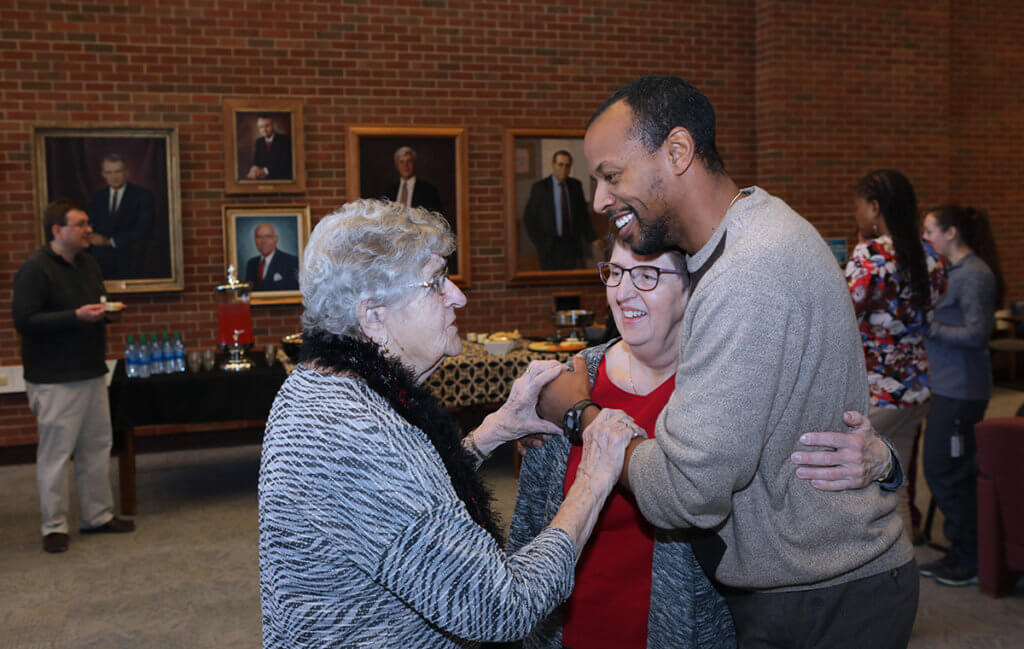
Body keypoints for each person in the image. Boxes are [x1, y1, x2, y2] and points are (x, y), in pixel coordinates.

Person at [538, 75, 917, 648]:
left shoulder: (747, 271)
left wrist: (583, 417)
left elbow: (683, 494)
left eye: (611, 176)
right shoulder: (753, 233)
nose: (598, 200)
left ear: (678, 152)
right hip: (820, 580)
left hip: (819, 598)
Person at [258, 198, 641, 648]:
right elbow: (503, 607)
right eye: (436, 282)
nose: (458, 295)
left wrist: (493, 430)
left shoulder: (318, 383)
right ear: (374, 317)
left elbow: (406, 514)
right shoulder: (363, 435)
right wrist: (594, 479)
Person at [513, 239, 906, 649]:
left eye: (646, 275)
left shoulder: (730, 385)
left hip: (689, 632)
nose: (622, 291)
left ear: (696, 288)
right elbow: (527, 530)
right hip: (568, 630)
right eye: (613, 272)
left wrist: (883, 460)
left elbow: (808, 469)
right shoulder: (569, 383)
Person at [12, 199, 136, 554]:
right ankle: (54, 525)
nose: (88, 230)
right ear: (57, 230)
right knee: (56, 454)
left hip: (92, 370)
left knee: (97, 447)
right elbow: (25, 321)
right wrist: (75, 317)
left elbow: (98, 302)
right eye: (80, 224)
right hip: (54, 379)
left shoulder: (88, 264)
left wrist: (107, 313)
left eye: (87, 224)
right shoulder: (35, 270)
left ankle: (97, 516)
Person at [846, 169, 946, 537]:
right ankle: (901, 568)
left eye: (858, 207)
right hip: (915, 390)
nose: (856, 215)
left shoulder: (870, 255)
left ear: (874, 208)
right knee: (895, 488)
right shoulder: (931, 255)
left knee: (848, 486)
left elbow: (844, 313)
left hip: (877, 394)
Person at [919, 205, 1004, 587]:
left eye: (930, 232)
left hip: (962, 389)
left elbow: (976, 334)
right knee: (948, 471)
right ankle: (965, 550)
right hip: (946, 386)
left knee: (946, 472)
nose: (926, 239)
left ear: (951, 233)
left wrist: (929, 327)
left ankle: (967, 557)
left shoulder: (975, 274)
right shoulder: (949, 272)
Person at [523, 150, 599, 270]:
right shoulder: (540, 188)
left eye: (567, 165)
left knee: (572, 281)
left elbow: (583, 216)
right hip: (549, 246)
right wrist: (540, 243)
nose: (564, 169)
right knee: (551, 282)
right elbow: (529, 218)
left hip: (572, 245)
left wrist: (592, 238)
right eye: (560, 165)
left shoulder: (575, 186)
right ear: (553, 165)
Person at [86, 153, 154, 279]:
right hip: (100, 262)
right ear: (103, 174)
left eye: (118, 171)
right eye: (109, 172)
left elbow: (144, 229)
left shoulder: (143, 195)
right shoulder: (98, 196)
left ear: (126, 172)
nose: (114, 177)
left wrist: (110, 242)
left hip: (131, 260)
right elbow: (89, 223)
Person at [386, 145, 444, 213]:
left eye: (409, 161)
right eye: (402, 162)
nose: (405, 165)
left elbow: (435, 217)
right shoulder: (390, 191)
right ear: (397, 166)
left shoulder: (428, 190)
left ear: (414, 163)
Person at [243, 223, 299, 291]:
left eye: (268, 236)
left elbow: (294, 292)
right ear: (255, 240)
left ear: (276, 239)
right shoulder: (251, 263)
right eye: (259, 237)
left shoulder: (291, 262)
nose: (263, 241)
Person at [246, 115, 293, 180]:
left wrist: (264, 171)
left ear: (273, 125)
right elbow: (256, 160)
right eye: (261, 127)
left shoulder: (285, 140)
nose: (264, 129)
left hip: (280, 178)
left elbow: (285, 163)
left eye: (267, 126)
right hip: (263, 179)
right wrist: (254, 168)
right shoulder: (259, 142)